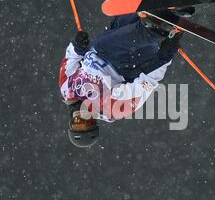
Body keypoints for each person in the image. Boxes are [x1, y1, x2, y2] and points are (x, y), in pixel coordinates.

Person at [59, 8, 195, 148]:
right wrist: (166, 54)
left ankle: (165, 10)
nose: (83, 117)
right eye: (88, 122)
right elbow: (145, 84)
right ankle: (155, 28)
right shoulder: (110, 109)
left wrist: (77, 46)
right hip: (127, 60)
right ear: (95, 122)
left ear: (70, 120)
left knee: (119, 25)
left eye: (77, 121)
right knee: (103, 44)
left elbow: (70, 59)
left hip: (111, 42)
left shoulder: (66, 90)